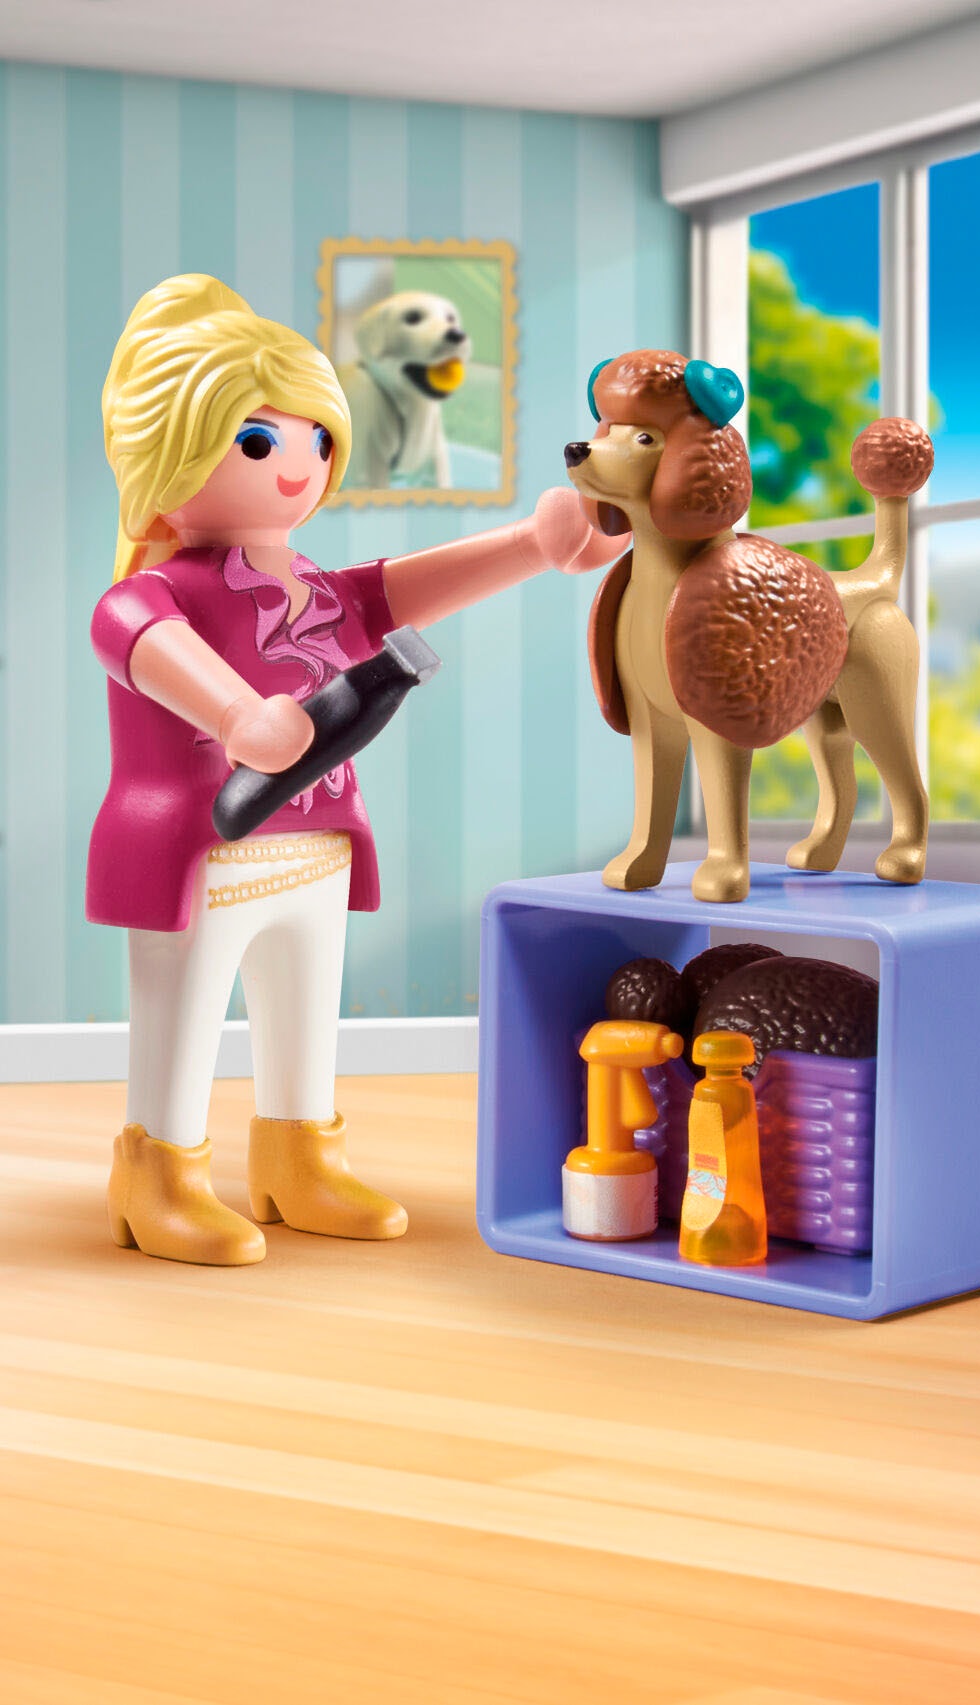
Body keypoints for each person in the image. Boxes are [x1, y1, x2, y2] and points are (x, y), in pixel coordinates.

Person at [89, 272, 622, 1267]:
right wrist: (238, 715)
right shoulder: (150, 592)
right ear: (165, 454)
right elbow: (145, 643)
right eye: (259, 442)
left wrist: (532, 545)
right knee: (183, 1018)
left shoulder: (316, 585)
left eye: (317, 440)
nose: (298, 466)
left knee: (305, 1015)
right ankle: (157, 1173)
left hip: (317, 844)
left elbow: (401, 589)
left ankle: (299, 1157)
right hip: (205, 846)